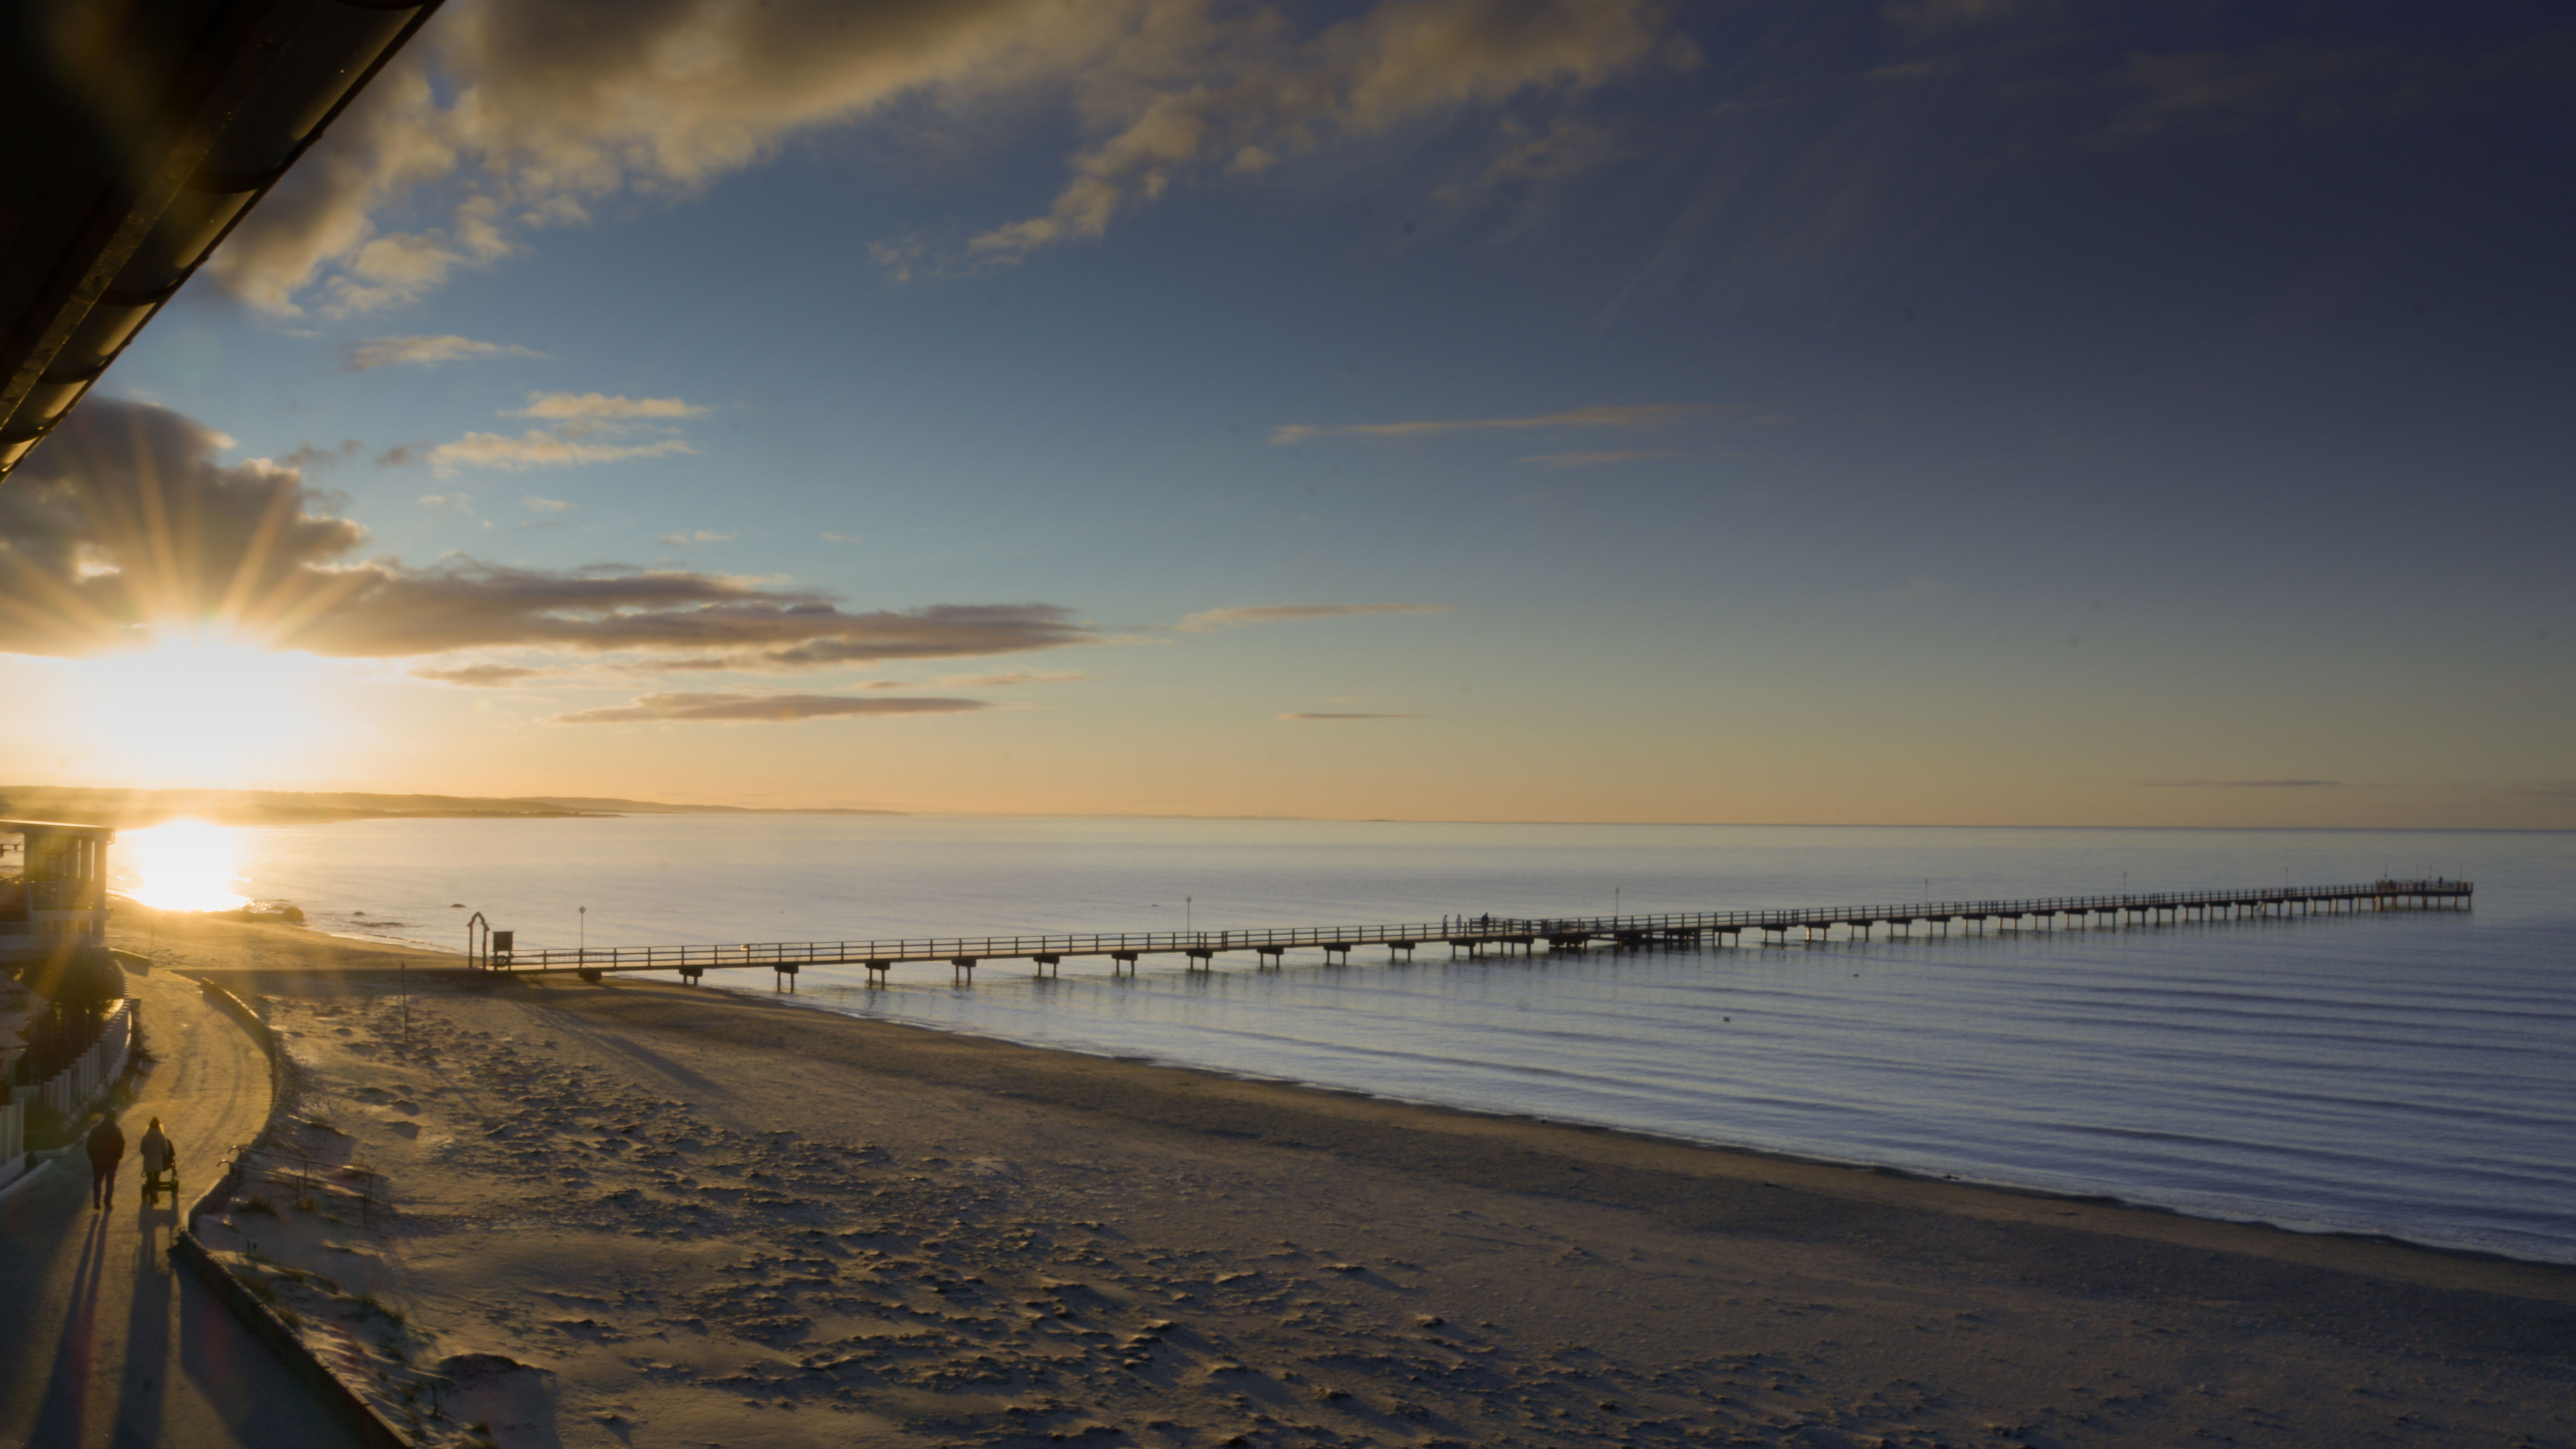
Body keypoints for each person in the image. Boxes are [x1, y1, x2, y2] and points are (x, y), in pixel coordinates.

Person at [87, 1110, 126, 1210]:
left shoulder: (96, 1130)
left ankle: (97, 1199)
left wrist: (93, 1157)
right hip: (112, 1162)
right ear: (114, 1118)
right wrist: (119, 1156)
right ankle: (108, 1202)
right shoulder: (116, 1131)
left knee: (97, 1181)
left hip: (98, 1161)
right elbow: (121, 1144)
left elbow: (89, 1145)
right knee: (110, 1182)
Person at [139, 1116, 172, 1196]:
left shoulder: (145, 1138)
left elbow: (142, 1150)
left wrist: (147, 1154)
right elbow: (166, 1151)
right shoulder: (162, 1138)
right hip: (158, 1162)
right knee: (157, 1179)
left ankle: (151, 1194)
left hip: (148, 1163)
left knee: (150, 1180)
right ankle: (155, 1193)